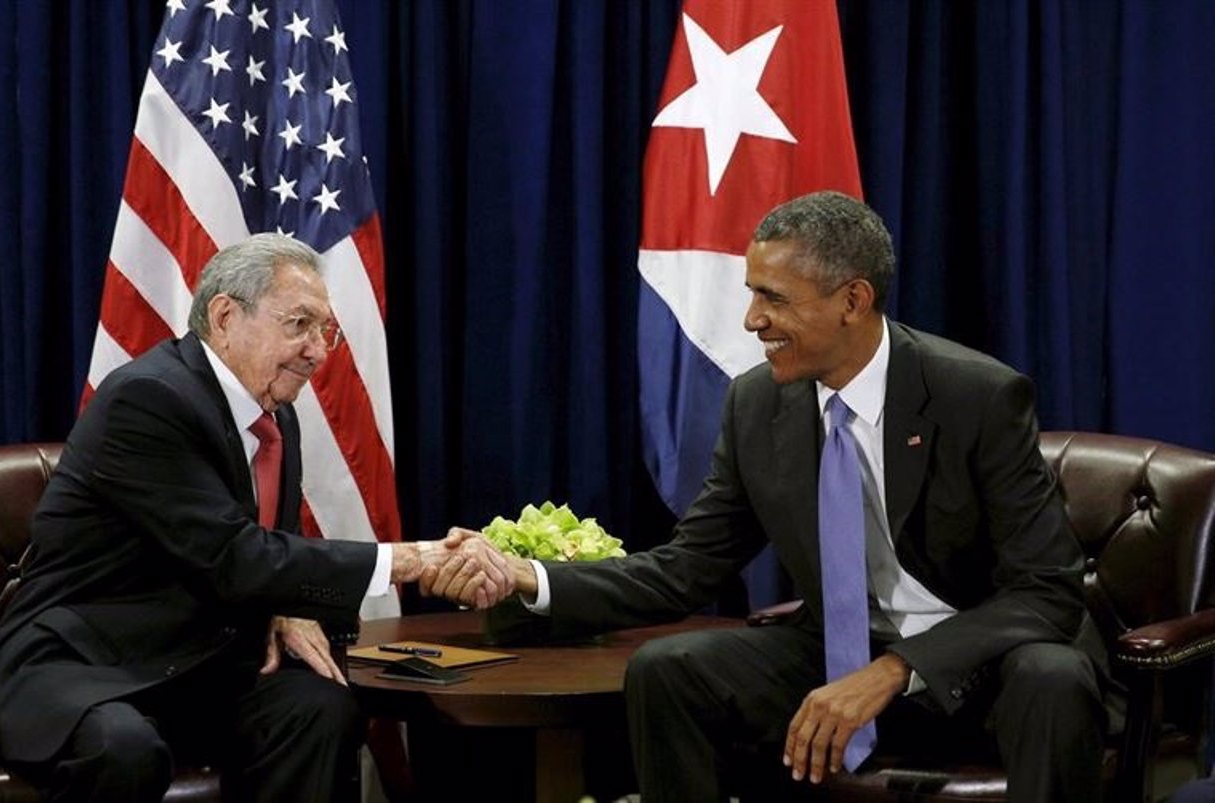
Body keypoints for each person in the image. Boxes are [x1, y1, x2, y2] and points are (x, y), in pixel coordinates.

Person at [428, 191, 1111, 802]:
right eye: (752, 293)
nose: (753, 319)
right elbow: (686, 568)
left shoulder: (977, 395)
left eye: (775, 298)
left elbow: (1047, 590)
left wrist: (895, 670)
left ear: (854, 300)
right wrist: (530, 577)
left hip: (981, 660)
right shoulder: (758, 402)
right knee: (671, 669)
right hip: (838, 652)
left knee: (1053, 678)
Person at [0, 234, 514, 803]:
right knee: (125, 748)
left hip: (196, 664)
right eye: (300, 324)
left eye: (323, 330)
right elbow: (232, 554)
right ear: (226, 315)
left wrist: (284, 603)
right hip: (80, 665)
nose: (318, 350)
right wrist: (412, 558)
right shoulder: (149, 399)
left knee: (320, 710)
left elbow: (265, 551)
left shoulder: (275, 416)